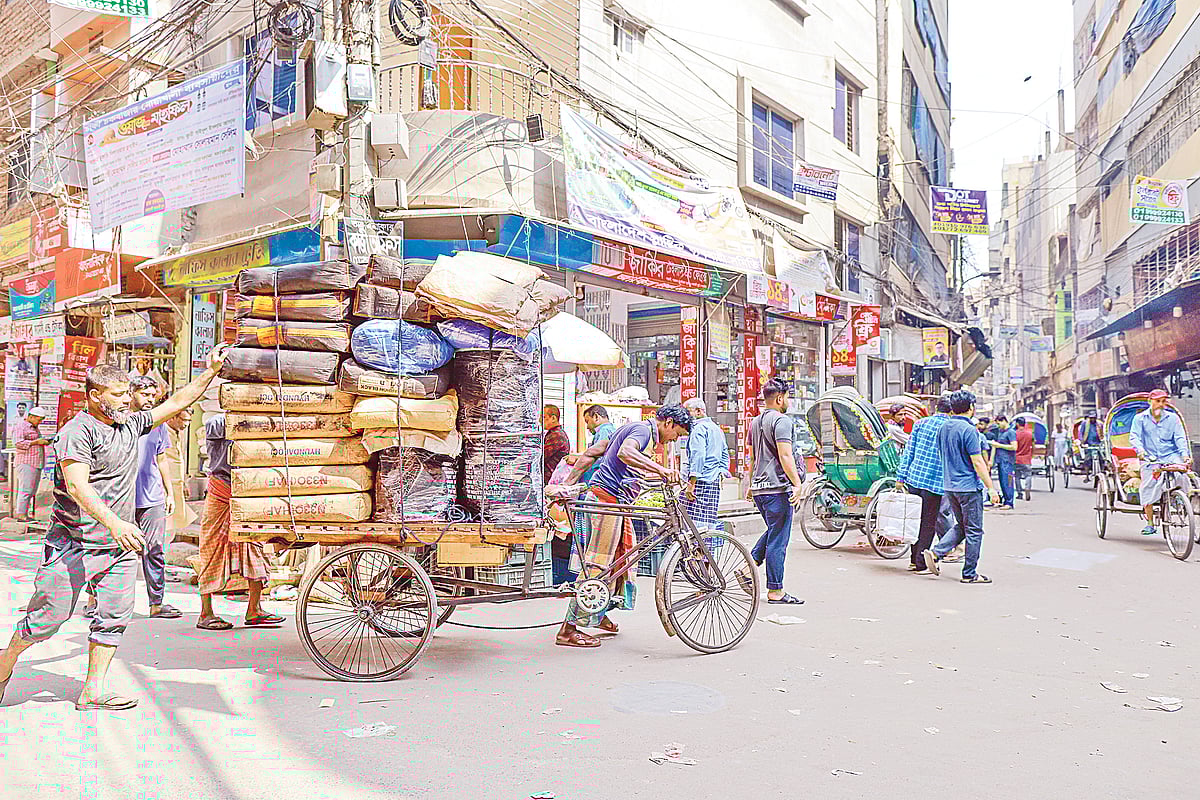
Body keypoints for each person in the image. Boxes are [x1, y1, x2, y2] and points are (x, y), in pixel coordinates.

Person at [0, 347, 229, 711]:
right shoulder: (77, 432)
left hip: (118, 547)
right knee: (46, 620)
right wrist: (115, 522)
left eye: (127, 394)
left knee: (113, 618)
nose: (127, 400)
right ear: (95, 396)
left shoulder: (131, 424)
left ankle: (93, 690)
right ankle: (5, 660)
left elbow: (177, 401)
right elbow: (77, 486)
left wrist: (210, 370)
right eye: (118, 394)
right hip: (74, 544)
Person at [553, 405, 691, 648]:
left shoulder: (630, 429)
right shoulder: (643, 431)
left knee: (618, 563)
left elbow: (592, 453)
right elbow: (626, 452)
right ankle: (568, 629)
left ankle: (597, 613)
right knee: (598, 565)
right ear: (668, 423)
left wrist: (568, 484)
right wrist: (662, 470)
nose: (673, 440)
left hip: (610, 501)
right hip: (607, 501)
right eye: (677, 434)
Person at [195, 413, 284, 631]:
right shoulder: (217, 422)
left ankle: (254, 609)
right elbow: (218, 428)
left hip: (250, 490)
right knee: (212, 548)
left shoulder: (260, 423)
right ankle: (206, 613)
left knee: (256, 546)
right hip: (221, 489)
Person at [924, 390, 1002, 584]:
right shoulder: (969, 430)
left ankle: (936, 552)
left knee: (962, 526)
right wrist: (991, 488)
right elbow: (977, 462)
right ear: (971, 407)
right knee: (974, 530)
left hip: (950, 486)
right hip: (968, 488)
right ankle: (969, 573)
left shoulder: (943, 428)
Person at [745, 378, 805, 605]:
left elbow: (752, 458)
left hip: (760, 490)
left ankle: (747, 567)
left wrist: (750, 484)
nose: (788, 401)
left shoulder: (755, 422)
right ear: (780, 398)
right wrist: (797, 484)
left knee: (774, 530)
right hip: (777, 488)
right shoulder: (782, 421)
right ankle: (775, 590)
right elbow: (785, 455)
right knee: (778, 541)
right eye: (787, 397)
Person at [129, 376, 181, 620]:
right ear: (131, 394)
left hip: (152, 496)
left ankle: (156, 603)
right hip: (123, 496)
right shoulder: (119, 421)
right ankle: (95, 600)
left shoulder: (157, 423)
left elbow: (161, 459)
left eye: (153, 395)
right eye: (145, 394)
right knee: (111, 549)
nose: (150, 399)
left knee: (155, 549)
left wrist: (170, 493)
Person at [553, 405, 617, 586]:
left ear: (596, 417)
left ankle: (589, 578)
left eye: (588, 421)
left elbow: (595, 457)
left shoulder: (604, 431)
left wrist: (568, 483)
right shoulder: (607, 432)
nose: (587, 427)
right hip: (595, 491)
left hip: (597, 492)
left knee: (592, 541)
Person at [897, 394, 953, 573]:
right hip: (935, 483)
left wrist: (901, 477)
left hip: (915, 478)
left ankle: (914, 560)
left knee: (915, 520)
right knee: (928, 523)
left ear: (936, 408)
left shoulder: (920, 423)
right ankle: (920, 562)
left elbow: (909, 451)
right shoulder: (950, 427)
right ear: (952, 410)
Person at [1130, 389, 1192, 536]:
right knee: (1148, 486)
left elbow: (1180, 438)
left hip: (1171, 455)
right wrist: (1140, 451)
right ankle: (1150, 523)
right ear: (1150, 401)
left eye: (1163, 401)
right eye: (1157, 401)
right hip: (1150, 457)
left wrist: (1185, 455)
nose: (1160, 404)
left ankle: (1180, 500)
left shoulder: (1173, 418)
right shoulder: (1140, 418)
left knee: (1182, 475)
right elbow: (1135, 437)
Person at [681, 398, 729, 532]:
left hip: (700, 481)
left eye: (687, 412)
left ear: (698, 411)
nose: (685, 417)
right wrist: (721, 472)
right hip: (713, 480)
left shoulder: (698, 429)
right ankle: (706, 545)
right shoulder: (716, 428)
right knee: (708, 522)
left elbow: (698, 456)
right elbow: (725, 453)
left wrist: (691, 483)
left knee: (693, 523)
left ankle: (697, 545)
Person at [11, 405, 51, 522]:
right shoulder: (21, 426)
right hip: (26, 462)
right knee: (26, 489)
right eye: (39, 420)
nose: (40, 422)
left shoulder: (34, 428)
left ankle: (25, 513)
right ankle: (21, 514)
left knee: (32, 490)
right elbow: (18, 443)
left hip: (36, 462)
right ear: (32, 417)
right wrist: (36, 442)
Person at [164, 403, 197, 539]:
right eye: (183, 420)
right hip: (164, 485)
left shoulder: (179, 434)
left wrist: (184, 483)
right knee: (165, 522)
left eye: (189, 421)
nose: (186, 424)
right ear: (172, 417)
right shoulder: (162, 431)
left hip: (177, 484)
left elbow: (180, 459)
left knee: (174, 523)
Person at [991, 415, 1017, 509]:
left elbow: (1014, 447)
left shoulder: (1011, 432)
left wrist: (999, 445)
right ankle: (1006, 500)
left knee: (1008, 481)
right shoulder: (1001, 432)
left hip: (1008, 461)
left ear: (1004, 421)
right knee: (1002, 481)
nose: (998, 426)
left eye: (999, 423)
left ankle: (1009, 502)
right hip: (1000, 460)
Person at [542, 404, 571, 486]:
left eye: (543, 417)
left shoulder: (556, 435)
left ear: (553, 418)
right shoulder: (552, 434)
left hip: (550, 481)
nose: (540, 421)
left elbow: (541, 456)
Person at [1014, 418, 1034, 501]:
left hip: (1017, 458)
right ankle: (1027, 488)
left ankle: (1019, 493)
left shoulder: (1015, 434)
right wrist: (1031, 454)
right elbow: (1033, 445)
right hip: (1027, 458)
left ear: (1017, 424)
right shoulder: (1030, 434)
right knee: (1028, 475)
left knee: (1017, 476)